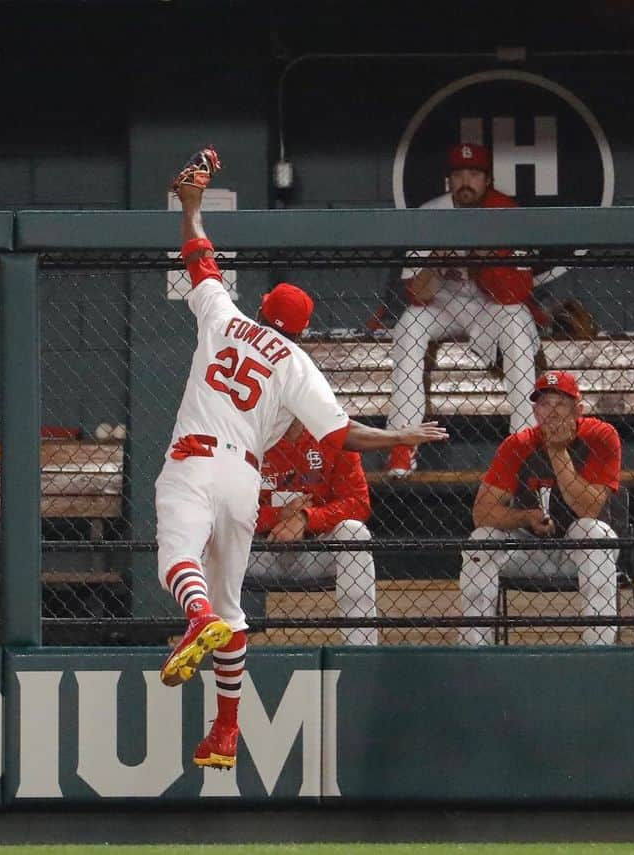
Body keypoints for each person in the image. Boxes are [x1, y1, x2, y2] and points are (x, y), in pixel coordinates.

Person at [157, 146, 449, 770]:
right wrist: (401, 436)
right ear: (304, 329)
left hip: (193, 457)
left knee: (179, 563)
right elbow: (342, 437)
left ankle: (194, 614)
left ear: (264, 310)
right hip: (243, 477)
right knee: (234, 611)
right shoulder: (298, 363)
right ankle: (224, 733)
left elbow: (198, 256)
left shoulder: (224, 317)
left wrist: (191, 205)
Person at [369, 143, 540, 478]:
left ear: (487, 179)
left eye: (474, 173)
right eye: (459, 173)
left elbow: (518, 292)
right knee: (409, 326)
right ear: (448, 180)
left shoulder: (506, 213)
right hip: (443, 307)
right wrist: (437, 260)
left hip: (490, 307)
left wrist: (484, 258)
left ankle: (524, 444)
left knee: (518, 325)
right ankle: (403, 445)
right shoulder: (431, 214)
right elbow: (416, 294)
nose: (466, 181)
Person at [458, 370, 622, 646]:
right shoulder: (518, 444)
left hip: (578, 549)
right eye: (545, 404)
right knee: (480, 541)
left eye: (561, 404)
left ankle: (599, 650)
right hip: (528, 547)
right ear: (535, 411)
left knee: (596, 532)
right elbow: (481, 513)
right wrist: (524, 516)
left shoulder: (601, 436)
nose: (552, 412)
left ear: (578, 409)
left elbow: (587, 509)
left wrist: (557, 451)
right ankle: (474, 648)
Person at [248, 419, 378, 646]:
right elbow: (226, 508)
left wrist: (306, 518)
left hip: (317, 551)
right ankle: (216, 651)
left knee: (353, 532)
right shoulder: (247, 434)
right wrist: (278, 516)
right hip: (258, 550)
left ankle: (361, 651)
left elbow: (358, 502)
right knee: (210, 537)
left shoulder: (332, 432)